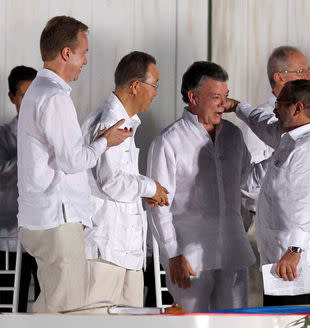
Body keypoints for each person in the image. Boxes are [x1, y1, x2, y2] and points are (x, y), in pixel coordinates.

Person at [17, 16, 132, 313]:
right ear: (67, 53)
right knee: (68, 311)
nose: (84, 61)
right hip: (58, 218)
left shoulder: (35, 93)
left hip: (41, 216)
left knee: (52, 306)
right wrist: (106, 141)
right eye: (83, 53)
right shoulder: (54, 97)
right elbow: (72, 161)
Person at [147, 61, 255, 313]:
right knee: (191, 324)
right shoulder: (168, 141)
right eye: (215, 97)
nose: (223, 104)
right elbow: (157, 206)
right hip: (189, 257)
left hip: (233, 251)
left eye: (225, 97)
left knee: (235, 324)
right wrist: (172, 254)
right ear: (193, 97)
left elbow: (249, 182)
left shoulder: (234, 136)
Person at [229, 79, 310, 306]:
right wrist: (238, 107)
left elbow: (309, 205)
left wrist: (295, 249)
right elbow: (264, 123)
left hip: (300, 264)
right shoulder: (290, 138)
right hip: (283, 263)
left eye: (280, 104)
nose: (275, 109)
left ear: (297, 108)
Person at [82, 51, 169, 307]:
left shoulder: (123, 120)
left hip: (123, 250)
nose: (155, 93)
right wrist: (150, 187)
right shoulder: (110, 121)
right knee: (98, 323)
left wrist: (145, 192)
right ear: (135, 86)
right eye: (154, 86)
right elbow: (112, 181)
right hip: (106, 250)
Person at [0, 66, 40, 312]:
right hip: (9, 241)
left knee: (48, 308)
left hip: (42, 237)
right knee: (9, 311)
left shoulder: (49, 133)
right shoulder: (3, 136)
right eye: (24, 95)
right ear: (12, 98)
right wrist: (33, 153)